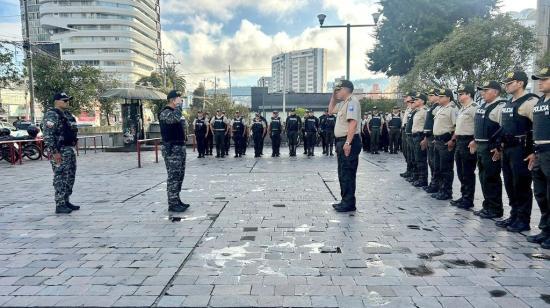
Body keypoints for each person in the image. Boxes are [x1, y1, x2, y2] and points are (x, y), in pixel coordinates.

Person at [496, 71, 539, 232]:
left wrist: (533, 151)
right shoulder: (509, 103)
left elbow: (538, 127)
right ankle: (514, 214)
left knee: (521, 185)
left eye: (510, 82)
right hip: (507, 149)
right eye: (506, 83)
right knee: (509, 183)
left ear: (520, 83)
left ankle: (523, 219)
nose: (506, 85)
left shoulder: (530, 102)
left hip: (521, 150)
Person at [470, 81, 506, 218]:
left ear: (496, 92)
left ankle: (495, 209)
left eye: (486, 90)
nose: (482, 93)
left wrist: (499, 147)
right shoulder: (484, 106)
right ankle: (488, 206)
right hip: (481, 146)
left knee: (492, 178)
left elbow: (504, 129)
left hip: (491, 148)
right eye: (481, 90)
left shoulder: (500, 106)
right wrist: (475, 140)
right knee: (483, 177)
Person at [43, 92, 79, 214]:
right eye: (65, 100)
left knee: (70, 176)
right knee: (60, 176)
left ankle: (66, 200)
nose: (67, 102)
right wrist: (54, 152)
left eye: (68, 100)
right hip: (60, 150)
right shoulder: (52, 115)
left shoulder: (67, 114)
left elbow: (71, 130)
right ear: (57, 101)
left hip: (69, 149)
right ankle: (60, 204)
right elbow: (48, 136)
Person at [328, 80, 362, 212]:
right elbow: (330, 111)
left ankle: (348, 203)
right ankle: (345, 200)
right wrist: (333, 96)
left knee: (347, 172)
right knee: (343, 172)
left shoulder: (352, 102)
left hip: (349, 142)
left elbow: (353, 123)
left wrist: (348, 143)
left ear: (346, 89)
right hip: (342, 141)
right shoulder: (343, 104)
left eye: (338, 89)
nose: (337, 92)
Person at [529, 66, 550, 249]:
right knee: (541, 193)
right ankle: (545, 230)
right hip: (540, 152)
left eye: (544, 78)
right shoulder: (541, 100)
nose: (540, 82)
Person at [158, 90, 189, 212]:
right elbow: (175, 119)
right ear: (172, 100)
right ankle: (172, 203)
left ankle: (176, 199)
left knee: (180, 175)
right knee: (173, 176)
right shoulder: (165, 112)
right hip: (171, 149)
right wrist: (179, 107)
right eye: (178, 98)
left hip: (179, 147)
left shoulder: (175, 112)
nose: (181, 100)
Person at [450, 84, 478, 210]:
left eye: (461, 93)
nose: (459, 95)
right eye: (458, 93)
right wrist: (454, 139)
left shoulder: (474, 108)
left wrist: (474, 140)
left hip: (468, 142)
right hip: (460, 141)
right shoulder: (462, 109)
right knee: (461, 172)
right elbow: (458, 127)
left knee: (467, 172)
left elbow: (478, 127)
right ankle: (463, 196)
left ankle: (468, 199)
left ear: (469, 94)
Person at [431, 89, 457, 200]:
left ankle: (447, 191)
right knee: (438, 167)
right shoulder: (441, 109)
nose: (439, 98)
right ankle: (441, 189)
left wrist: (453, 140)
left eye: (442, 97)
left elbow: (457, 127)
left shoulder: (452, 109)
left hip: (446, 142)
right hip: (438, 141)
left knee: (446, 169)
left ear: (448, 98)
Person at [421, 89, 441, 193]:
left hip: (434, 138)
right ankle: (433, 183)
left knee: (435, 163)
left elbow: (437, 124)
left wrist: (434, 137)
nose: (429, 97)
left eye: (432, 95)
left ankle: (436, 185)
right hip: (429, 137)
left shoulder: (438, 108)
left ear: (438, 96)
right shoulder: (432, 107)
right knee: (431, 162)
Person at [410, 92, 428, 187]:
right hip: (415, 136)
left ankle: (423, 179)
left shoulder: (425, 111)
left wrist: (425, 139)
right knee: (416, 158)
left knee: (421, 159)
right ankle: (418, 177)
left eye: (417, 99)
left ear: (422, 101)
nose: (415, 101)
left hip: (420, 136)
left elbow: (427, 125)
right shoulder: (417, 111)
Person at [400, 94, 415, 179]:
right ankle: (409, 169)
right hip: (404, 130)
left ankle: (412, 171)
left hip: (409, 131)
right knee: (405, 151)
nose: (405, 99)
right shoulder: (407, 108)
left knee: (410, 153)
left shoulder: (413, 108)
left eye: (406, 97)